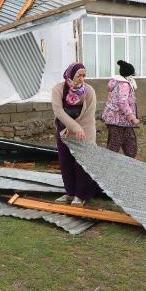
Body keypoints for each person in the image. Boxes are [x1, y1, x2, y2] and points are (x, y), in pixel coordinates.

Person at [51, 62, 101, 206]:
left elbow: (89, 114)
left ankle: (81, 195)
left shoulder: (89, 91)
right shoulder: (58, 89)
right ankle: (70, 193)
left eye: (84, 75)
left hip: (84, 131)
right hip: (64, 131)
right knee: (65, 162)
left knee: (81, 164)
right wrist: (71, 127)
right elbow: (58, 111)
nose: (82, 78)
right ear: (71, 75)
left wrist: (78, 129)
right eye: (79, 75)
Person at [101, 60, 140, 158]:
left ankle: (129, 166)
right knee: (114, 148)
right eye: (132, 75)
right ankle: (108, 168)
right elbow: (122, 102)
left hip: (121, 121)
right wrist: (131, 116)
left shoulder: (119, 83)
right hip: (118, 121)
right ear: (129, 74)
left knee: (129, 146)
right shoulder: (124, 85)